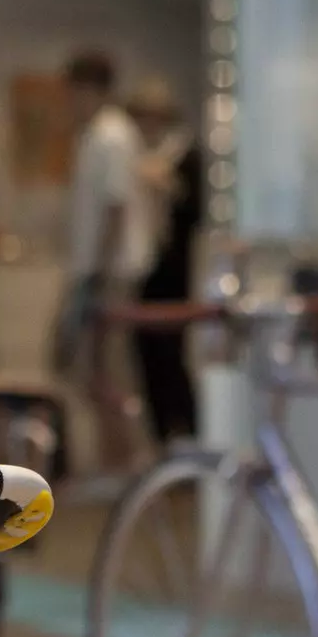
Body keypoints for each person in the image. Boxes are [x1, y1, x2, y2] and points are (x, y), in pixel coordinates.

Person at [61, 48, 144, 468]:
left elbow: (115, 206)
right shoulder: (100, 135)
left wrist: (98, 269)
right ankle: (114, 456)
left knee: (106, 370)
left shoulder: (111, 135)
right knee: (94, 370)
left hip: (106, 271)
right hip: (97, 267)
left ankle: (123, 458)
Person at [126, 77, 201, 443]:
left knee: (171, 357)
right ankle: (162, 437)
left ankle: (187, 431)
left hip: (174, 271)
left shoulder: (185, 156)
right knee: (148, 358)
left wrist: (169, 186)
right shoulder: (137, 157)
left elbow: (194, 211)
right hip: (146, 269)